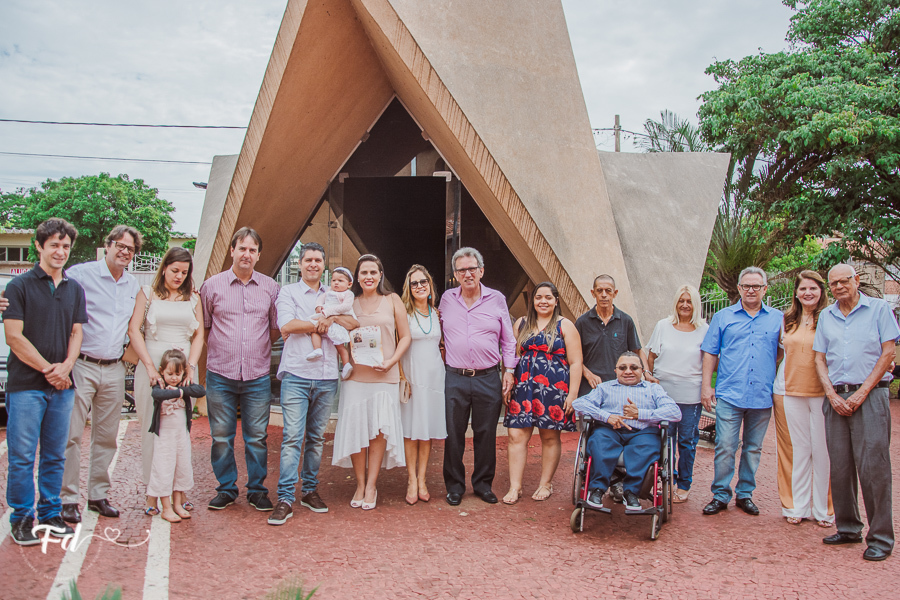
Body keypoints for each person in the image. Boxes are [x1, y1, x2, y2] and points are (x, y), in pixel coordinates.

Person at [3, 218, 87, 545]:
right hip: (26, 386)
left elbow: (77, 331)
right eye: (54, 245)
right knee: (23, 455)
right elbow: (13, 337)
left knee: (55, 454)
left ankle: (51, 514)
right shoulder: (18, 286)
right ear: (39, 246)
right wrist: (49, 370)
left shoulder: (74, 288)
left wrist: (66, 366)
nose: (60, 251)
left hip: (63, 388)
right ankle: (22, 518)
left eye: (65, 246)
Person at [813, 264, 899, 562]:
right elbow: (820, 358)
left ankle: (880, 538)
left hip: (871, 396)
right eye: (833, 283)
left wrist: (862, 392)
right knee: (840, 467)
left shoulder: (878, 310)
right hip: (836, 396)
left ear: (856, 280)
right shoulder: (827, 315)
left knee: (874, 469)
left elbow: (889, 352)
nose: (838, 287)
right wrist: (831, 394)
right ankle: (848, 528)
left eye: (843, 281)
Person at [269, 243, 359, 525]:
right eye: (308, 259)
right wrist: (320, 324)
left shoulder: (334, 293)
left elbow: (352, 322)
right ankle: (285, 498)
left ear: (324, 265)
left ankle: (309, 491)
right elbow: (287, 326)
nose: (313, 264)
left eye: (318, 260)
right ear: (300, 263)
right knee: (293, 438)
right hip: (296, 374)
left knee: (317, 439)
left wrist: (329, 318)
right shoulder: (288, 292)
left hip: (326, 377)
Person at [59, 226, 142, 524]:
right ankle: (68, 498)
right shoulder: (81, 274)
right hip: (82, 365)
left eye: (130, 249)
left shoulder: (133, 284)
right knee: (71, 434)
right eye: (120, 245)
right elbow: (49, 286)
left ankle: (97, 494)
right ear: (107, 245)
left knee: (107, 437)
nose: (124, 251)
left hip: (114, 368)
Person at [200, 227, 280, 511]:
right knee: (221, 436)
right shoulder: (211, 287)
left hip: (257, 375)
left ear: (259, 255)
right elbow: (205, 327)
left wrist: (252, 351)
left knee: (256, 437)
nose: (246, 254)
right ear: (232, 250)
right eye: (242, 248)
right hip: (220, 373)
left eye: (252, 250)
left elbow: (273, 330)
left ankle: (257, 490)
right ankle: (226, 489)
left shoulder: (271, 288)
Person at [700, 266, 783, 516]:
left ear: (764, 289)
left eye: (756, 286)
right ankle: (720, 494)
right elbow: (710, 352)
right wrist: (706, 386)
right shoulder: (723, 317)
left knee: (753, 448)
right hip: (730, 394)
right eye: (746, 286)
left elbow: (780, 351)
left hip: (761, 395)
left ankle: (745, 494)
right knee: (725, 445)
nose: (751, 290)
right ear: (738, 288)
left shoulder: (777, 318)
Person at [128, 247, 204, 515]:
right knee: (153, 433)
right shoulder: (147, 294)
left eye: (184, 273)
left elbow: (199, 337)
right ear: (164, 268)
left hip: (181, 373)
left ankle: (177, 494)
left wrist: (191, 367)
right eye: (174, 271)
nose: (179, 277)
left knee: (179, 434)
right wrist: (149, 366)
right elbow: (133, 330)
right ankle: (153, 494)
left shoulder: (194, 298)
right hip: (151, 369)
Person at [332, 254, 411, 510]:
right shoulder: (348, 302)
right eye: (364, 272)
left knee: (378, 431)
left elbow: (405, 337)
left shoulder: (392, 300)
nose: (368, 277)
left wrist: (392, 362)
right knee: (357, 430)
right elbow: (336, 333)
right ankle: (359, 483)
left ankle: (371, 486)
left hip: (384, 376)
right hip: (356, 377)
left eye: (373, 272)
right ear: (357, 276)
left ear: (380, 276)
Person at [440, 247, 517, 506]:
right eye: (462, 269)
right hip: (455, 377)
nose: (467, 273)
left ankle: (483, 484)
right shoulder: (446, 299)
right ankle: (454, 486)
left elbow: (508, 340)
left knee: (486, 434)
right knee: (454, 433)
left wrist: (509, 370)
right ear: (455, 274)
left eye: (472, 268)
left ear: (481, 271)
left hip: (488, 377)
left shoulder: (497, 299)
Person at [502, 282, 583, 504]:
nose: (543, 301)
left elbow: (576, 362)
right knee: (516, 435)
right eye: (539, 297)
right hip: (523, 386)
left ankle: (545, 483)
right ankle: (515, 487)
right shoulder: (521, 323)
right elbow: (512, 357)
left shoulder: (565, 326)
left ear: (556, 300)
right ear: (533, 300)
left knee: (549, 436)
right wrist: (507, 379)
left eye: (548, 297)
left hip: (554, 389)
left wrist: (572, 394)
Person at [573, 352, 681, 512]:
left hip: (643, 432)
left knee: (646, 448)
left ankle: (631, 492)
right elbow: (579, 404)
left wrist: (641, 414)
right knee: (599, 442)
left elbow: (675, 412)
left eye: (634, 367)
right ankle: (597, 490)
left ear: (642, 370)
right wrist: (607, 416)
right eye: (623, 368)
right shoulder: (604, 388)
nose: (628, 371)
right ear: (615, 370)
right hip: (610, 430)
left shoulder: (653, 389)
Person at [772, 270, 833, 527]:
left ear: (821, 291)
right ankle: (794, 506)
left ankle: (824, 510)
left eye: (813, 289)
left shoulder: (831, 318)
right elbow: (776, 353)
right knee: (794, 451)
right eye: (803, 289)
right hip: (787, 392)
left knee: (824, 452)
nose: (808, 293)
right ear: (796, 293)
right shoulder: (786, 320)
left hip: (823, 394)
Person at [645, 284, 708, 503]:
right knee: (664, 439)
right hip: (663, 394)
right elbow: (650, 356)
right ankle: (665, 480)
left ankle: (684, 483)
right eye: (681, 300)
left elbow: (710, 361)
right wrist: (649, 378)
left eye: (689, 301)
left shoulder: (704, 329)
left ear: (696, 305)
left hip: (691, 396)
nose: (685, 305)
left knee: (687, 441)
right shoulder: (663, 325)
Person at [399, 265, 447, 505]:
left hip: (434, 377)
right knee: (410, 430)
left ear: (430, 286)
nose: (419, 286)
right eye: (414, 283)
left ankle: (423, 479)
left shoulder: (437, 313)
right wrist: (401, 376)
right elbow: (396, 345)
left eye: (423, 282)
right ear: (409, 288)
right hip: (411, 375)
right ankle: (410, 480)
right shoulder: (404, 314)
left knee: (426, 431)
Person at [146, 349, 206, 523]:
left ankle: (178, 504)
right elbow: (157, 394)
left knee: (182, 466)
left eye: (177, 374)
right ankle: (165, 507)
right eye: (169, 373)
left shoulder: (184, 385)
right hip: (164, 438)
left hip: (181, 436)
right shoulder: (160, 386)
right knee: (164, 468)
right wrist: (179, 393)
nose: (173, 378)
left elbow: (200, 390)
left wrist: (183, 387)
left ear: (184, 373)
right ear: (161, 371)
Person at [575, 275, 651, 396]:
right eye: (599, 291)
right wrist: (589, 375)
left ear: (614, 293)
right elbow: (573, 357)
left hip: (620, 386)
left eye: (608, 291)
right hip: (590, 387)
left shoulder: (626, 321)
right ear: (593, 293)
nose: (604, 295)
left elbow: (637, 351)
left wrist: (646, 372)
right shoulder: (582, 322)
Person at [307, 266, 354, 380]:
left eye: (340, 280)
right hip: (324, 315)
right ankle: (317, 349)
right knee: (314, 329)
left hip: (339, 319)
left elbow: (345, 307)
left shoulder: (348, 294)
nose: (336, 283)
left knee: (340, 345)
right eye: (333, 280)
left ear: (349, 284)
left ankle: (346, 364)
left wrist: (329, 312)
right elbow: (320, 299)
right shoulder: (328, 291)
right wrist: (318, 306)